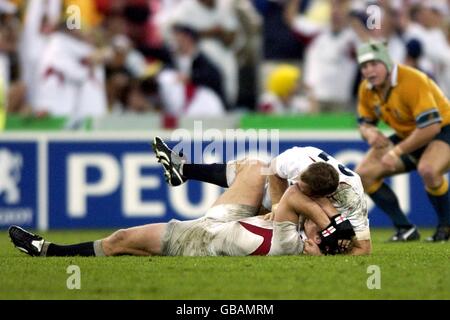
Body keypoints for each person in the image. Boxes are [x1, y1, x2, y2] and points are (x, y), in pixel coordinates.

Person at [9, 142, 357, 258]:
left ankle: (48, 250)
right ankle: (184, 169)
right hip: (234, 221)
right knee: (256, 167)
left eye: (318, 231)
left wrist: (327, 229)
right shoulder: (294, 225)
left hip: (205, 236)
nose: (322, 216)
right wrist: (332, 228)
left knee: (121, 240)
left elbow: (302, 199)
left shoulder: (290, 237)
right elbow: (312, 206)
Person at [152, 137, 371, 255]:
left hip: (306, 222)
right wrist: (277, 206)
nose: (295, 186)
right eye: (298, 182)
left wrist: (323, 256)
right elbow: (275, 172)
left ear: (318, 195)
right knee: (255, 168)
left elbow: (364, 249)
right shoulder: (298, 161)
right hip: (286, 209)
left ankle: (185, 171)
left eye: (300, 188)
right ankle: (186, 170)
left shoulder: (351, 197)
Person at [355, 40, 450, 242]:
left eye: (374, 64)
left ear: (387, 63)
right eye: (364, 66)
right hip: (410, 134)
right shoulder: (367, 88)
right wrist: (369, 132)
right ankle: (405, 229)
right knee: (363, 175)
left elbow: (431, 127)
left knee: (429, 170)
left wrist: (396, 152)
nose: (369, 71)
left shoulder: (413, 80)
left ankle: (446, 227)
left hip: (442, 130)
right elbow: (364, 123)